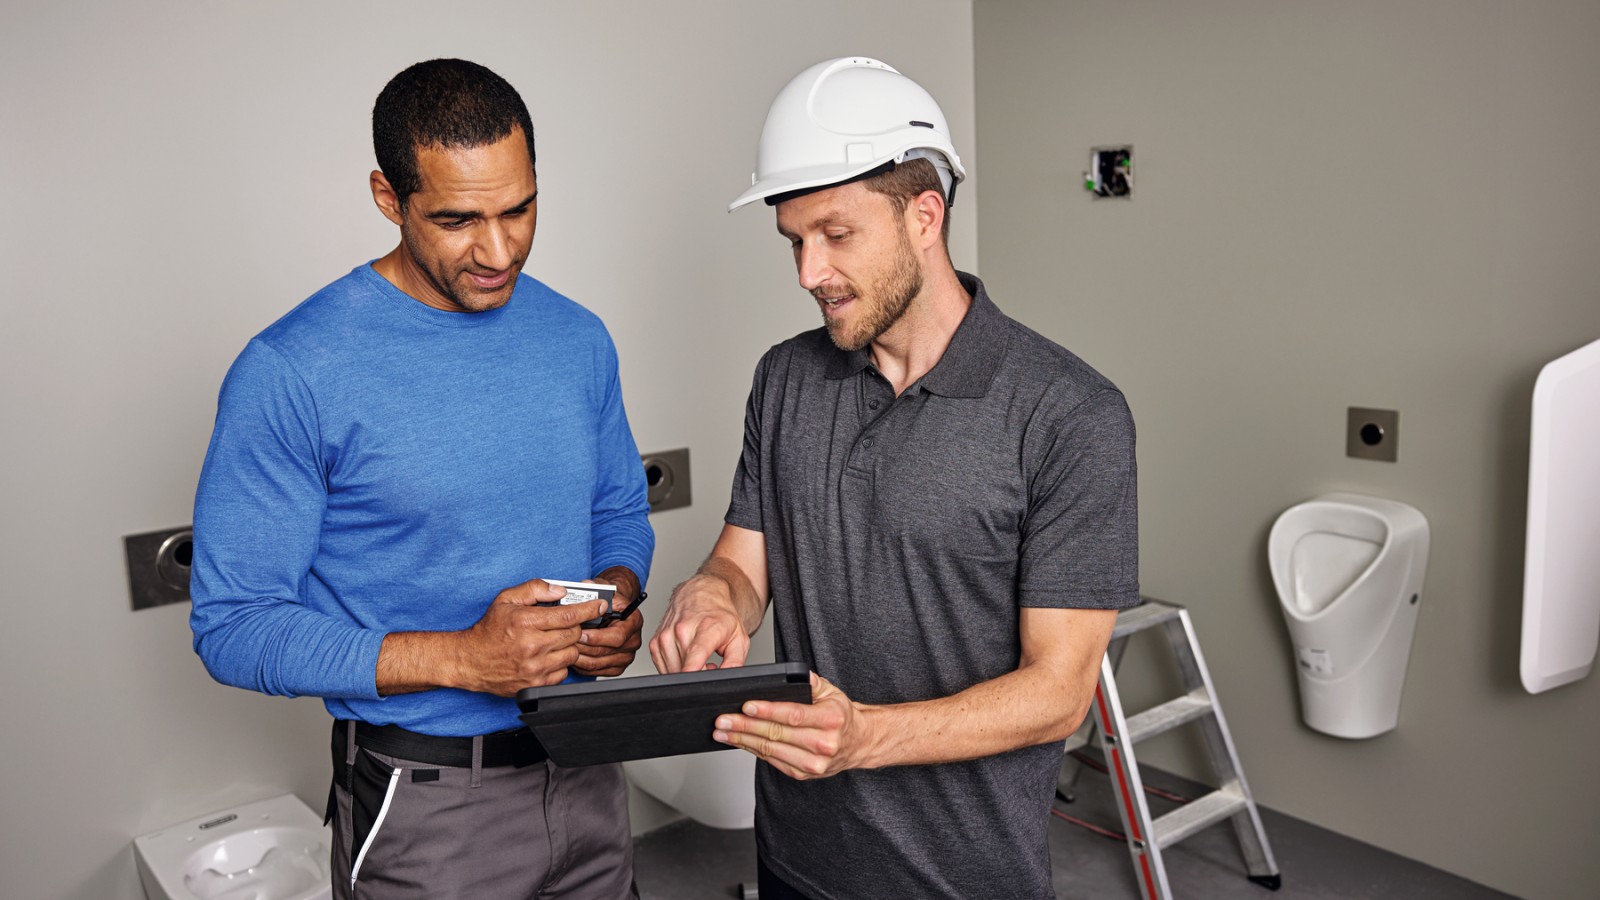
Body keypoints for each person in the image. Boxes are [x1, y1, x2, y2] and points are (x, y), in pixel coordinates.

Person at [649, 57, 1139, 899]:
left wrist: (865, 737)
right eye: (794, 241)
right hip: (796, 855)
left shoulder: (1070, 414)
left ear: (924, 216)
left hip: (964, 877)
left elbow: (1059, 692)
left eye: (836, 235)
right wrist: (712, 596)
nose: (809, 272)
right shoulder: (785, 378)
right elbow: (742, 561)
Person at [190, 58, 653, 900]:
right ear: (388, 197)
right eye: (457, 219)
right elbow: (233, 626)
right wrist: (466, 659)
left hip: (588, 771)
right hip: (426, 802)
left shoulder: (578, 338)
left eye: (519, 209)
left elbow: (618, 507)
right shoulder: (291, 371)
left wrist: (616, 598)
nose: (499, 250)